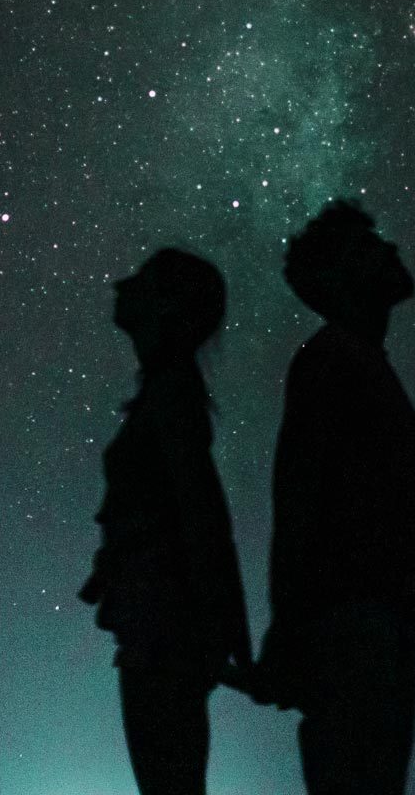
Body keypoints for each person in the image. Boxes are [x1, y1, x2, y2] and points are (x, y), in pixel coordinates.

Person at [245, 201, 415, 795]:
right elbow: (300, 499)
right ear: (341, 274)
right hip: (353, 633)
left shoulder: (350, 361)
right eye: (366, 245)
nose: (390, 250)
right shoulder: (333, 360)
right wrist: (291, 632)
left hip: (372, 629)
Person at [79, 248, 253, 795]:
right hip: (158, 624)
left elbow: (201, 510)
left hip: (162, 629)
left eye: (143, 279)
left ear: (166, 305)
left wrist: (225, 631)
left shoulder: (171, 393)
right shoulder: (168, 392)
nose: (120, 283)